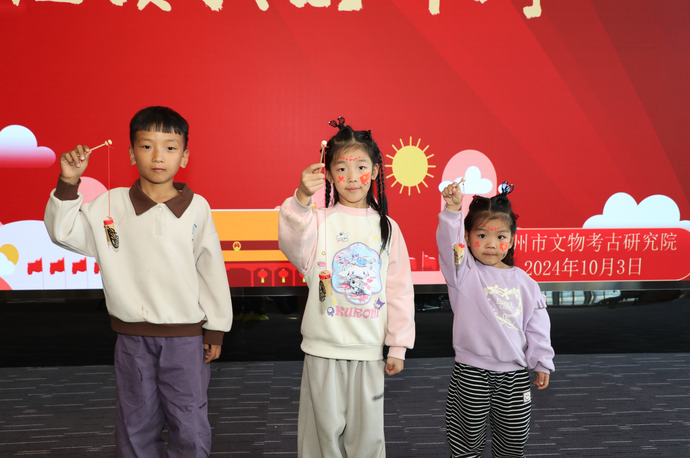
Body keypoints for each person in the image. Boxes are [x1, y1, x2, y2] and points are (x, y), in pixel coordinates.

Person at [44, 106, 232, 457]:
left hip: (185, 338)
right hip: (131, 339)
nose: (158, 156)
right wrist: (69, 181)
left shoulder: (198, 207)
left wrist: (216, 328)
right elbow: (63, 231)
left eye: (170, 147)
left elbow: (210, 270)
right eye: (146, 146)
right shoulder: (109, 205)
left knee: (189, 421)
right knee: (135, 423)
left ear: (184, 157)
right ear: (132, 154)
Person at [278, 117, 415, 458]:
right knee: (321, 435)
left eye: (361, 167)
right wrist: (301, 198)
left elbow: (399, 290)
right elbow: (291, 242)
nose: (352, 177)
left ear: (377, 171)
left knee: (367, 437)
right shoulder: (317, 221)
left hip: (368, 350)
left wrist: (398, 345)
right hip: (323, 349)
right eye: (341, 169)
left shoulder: (387, 228)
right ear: (328, 174)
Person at [436, 180, 554, 458]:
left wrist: (542, 362)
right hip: (471, 373)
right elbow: (449, 244)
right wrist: (452, 211)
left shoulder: (526, 283)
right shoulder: (463, 272)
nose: (491, 244)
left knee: (513, 442)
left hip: (514, 376)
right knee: (466, 442)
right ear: (467, 238)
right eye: (482, 235)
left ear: (511, 241)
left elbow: (537, 328)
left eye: (500, 236)